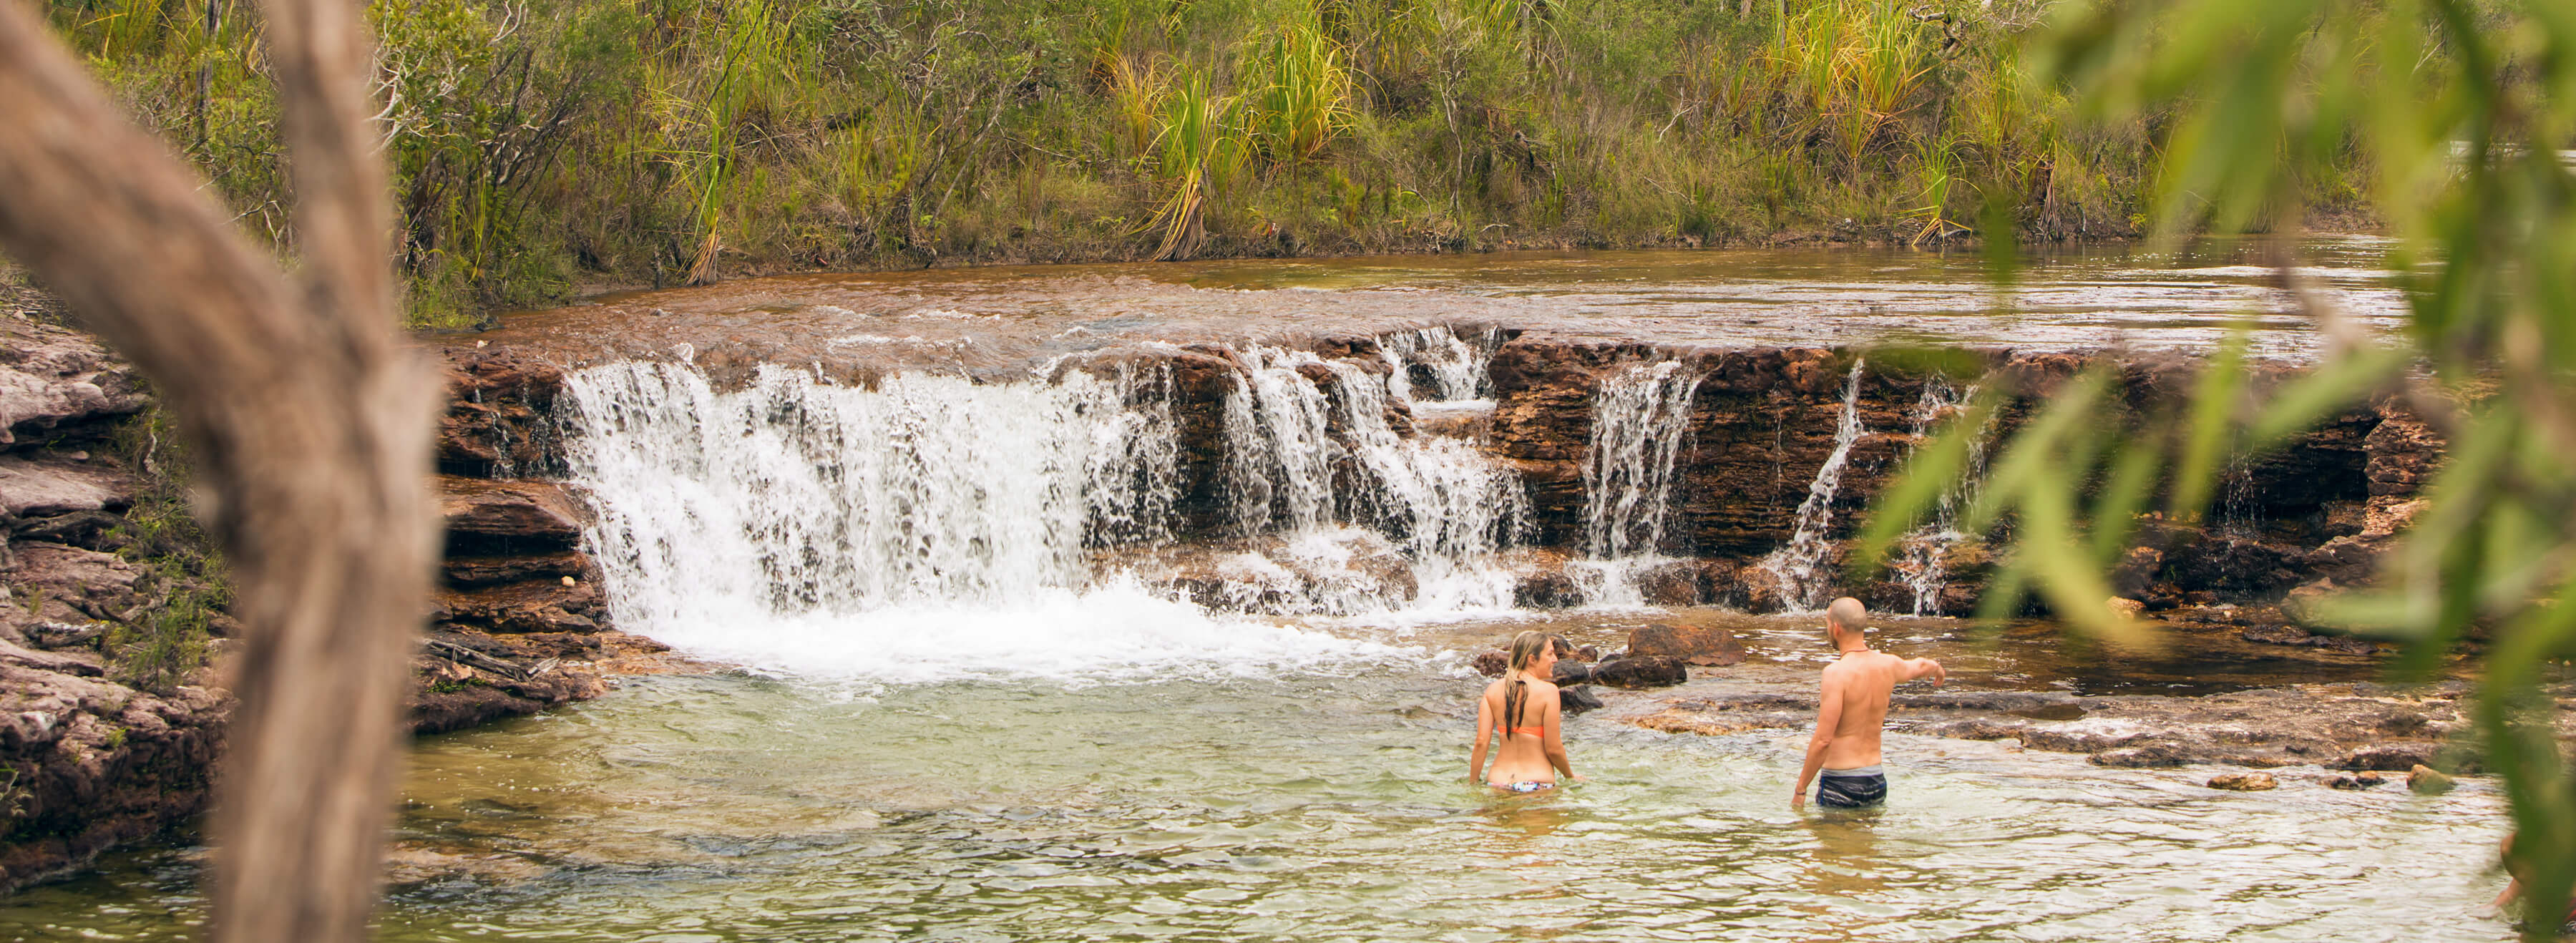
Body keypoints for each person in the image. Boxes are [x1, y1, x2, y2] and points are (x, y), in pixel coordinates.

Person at [1792, 597, 1945, 809]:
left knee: (1832, 842)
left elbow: (1823, 740)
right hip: (1876, 780)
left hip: (1841, 783)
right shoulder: (1889, 664)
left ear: (1836, 628)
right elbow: (1919, 666)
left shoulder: (1836, 674)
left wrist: (1801, 788)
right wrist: (1936, 668)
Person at [1471, 630, 1581, 792]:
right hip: (1537, 783)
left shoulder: (1493, 690)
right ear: (1532, 659)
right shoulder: (1549, 692)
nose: (1555, 660)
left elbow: (1481, 742)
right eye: (1550, 654)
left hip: (1498, 783)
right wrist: (1570, 777)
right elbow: (1553, 748)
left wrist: (1473, 783)